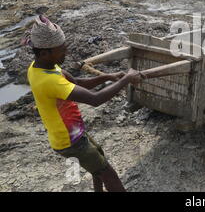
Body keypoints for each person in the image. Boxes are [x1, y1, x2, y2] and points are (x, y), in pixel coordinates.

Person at [25, 15, 142, 192]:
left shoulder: (40, 67)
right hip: (70, 142)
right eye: (61, 50)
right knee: (108, 174)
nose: (66, 53)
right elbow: (95, 100)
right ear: (44, 52)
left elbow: (77, 82)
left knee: (98, 163)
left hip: (73, 135)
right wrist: (126, 79)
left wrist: (108, 77)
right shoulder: (49, 82)